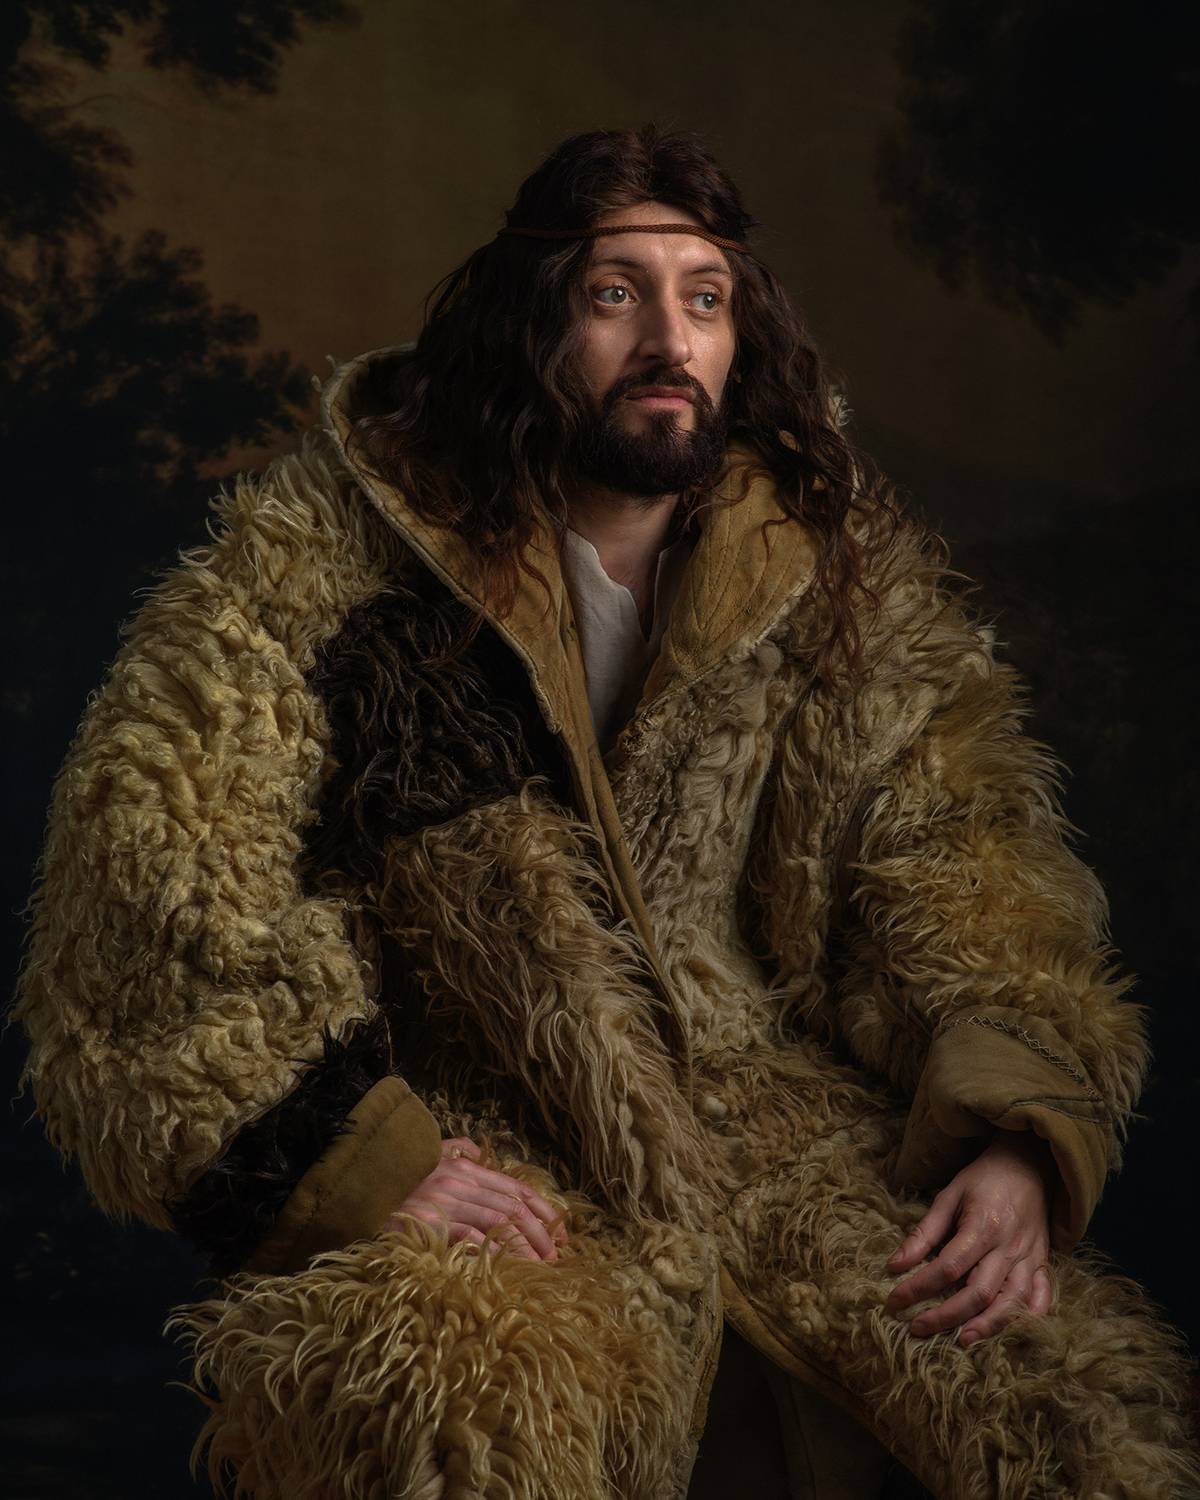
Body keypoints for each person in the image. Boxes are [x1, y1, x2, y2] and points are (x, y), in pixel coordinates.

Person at [11, 124, 1199, 1500]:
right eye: (613, 293)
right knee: (446, 1410)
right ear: (531, 320)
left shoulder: (828, 568)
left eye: (706, 298)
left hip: (791, 1141)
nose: (668, 340)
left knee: (1080, 1428)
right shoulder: (326, 568)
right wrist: (357, 1157)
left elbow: (960, 850)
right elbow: (157, 877)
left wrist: (1011, 1140)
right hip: (485, 1139)